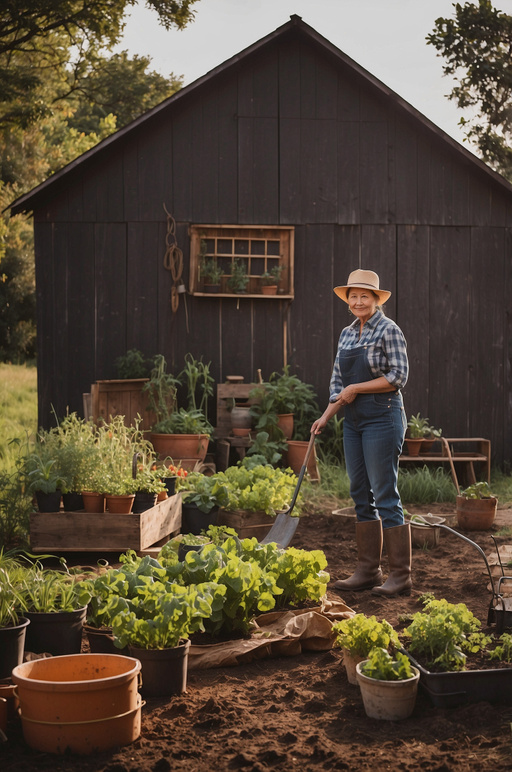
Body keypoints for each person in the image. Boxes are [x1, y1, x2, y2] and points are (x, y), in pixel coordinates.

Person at [311, 269, 410, 597]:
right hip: (352, 422)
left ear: (376, 299)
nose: (357, 301)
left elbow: (398, 376)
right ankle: (368, 570)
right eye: (353, 296)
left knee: (385, 494)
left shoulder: (388, 330)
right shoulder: (346, 334)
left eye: (364, 296)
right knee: (359, 493)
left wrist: (357, 388)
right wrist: (325, 416)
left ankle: (401, 575)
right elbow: (338, 384)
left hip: (383, 418)